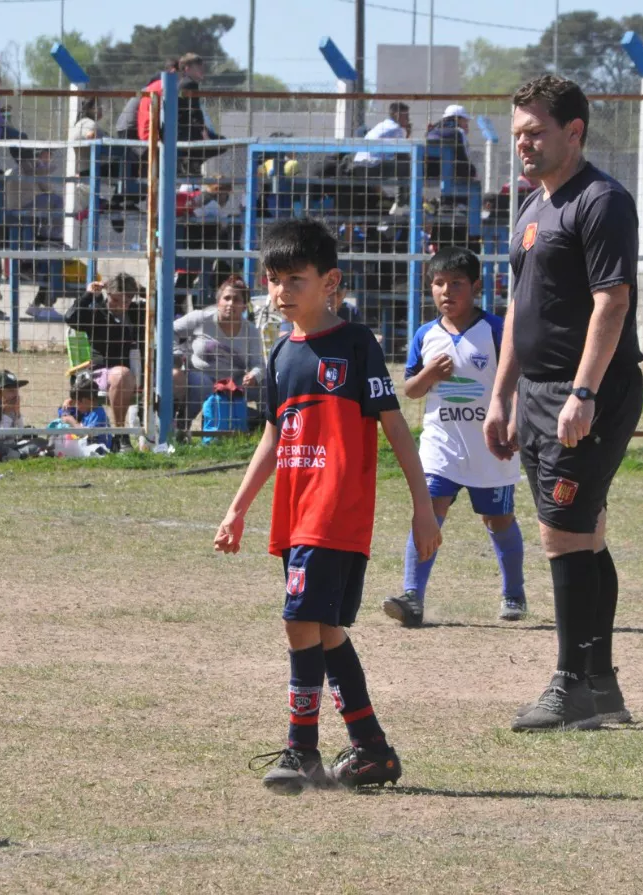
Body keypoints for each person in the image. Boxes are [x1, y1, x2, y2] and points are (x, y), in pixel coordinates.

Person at [213, 218, 441, 792]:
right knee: (326, 630)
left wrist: (423, 508)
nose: (281, 291)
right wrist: (239, 508)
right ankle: (372, 750)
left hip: (334, 510)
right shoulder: (281, 355)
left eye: (295, 279)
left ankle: (301, 750)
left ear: (330, 281)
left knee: (299, 622)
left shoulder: (356, 344)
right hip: (294, 512)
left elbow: (395, 429)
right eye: (273, 280)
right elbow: (272, 437)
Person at [484, 75, 643, 733]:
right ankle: (600, 684)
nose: (522, 144)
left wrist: (582, 391)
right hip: (538, 394)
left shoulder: (601, 202)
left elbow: (612, 301)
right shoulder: (531, 209)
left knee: (562, 533)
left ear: (573, 132)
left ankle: (571, 681)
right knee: (583, 533)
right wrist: (501, 396)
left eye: (535, 132)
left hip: (589, 394)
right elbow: (521, 309)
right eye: (517, 133)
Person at [383, 246, 525, 627]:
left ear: (476, 286)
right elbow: (411, 389)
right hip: (440, 445)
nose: (447, 291)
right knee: (428, 510)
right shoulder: (425, 335)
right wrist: (428, 375)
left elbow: (515, 381)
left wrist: (513, 421)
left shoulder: (496, 330)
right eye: (439, 284)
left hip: (489, 447)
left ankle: (514, 592)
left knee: (498, 519)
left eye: (456, 283)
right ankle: (413, 595)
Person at [172, 276, 266, 426]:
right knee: (201, 384)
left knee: (267, 384)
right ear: (218, 302)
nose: (230, 304)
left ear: (244, 306)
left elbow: (259, 364)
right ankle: (182, 425)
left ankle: (265, 427)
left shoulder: (251, 331)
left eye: (236, 300)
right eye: (226, 298)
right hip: (201, 375)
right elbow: (169, 331)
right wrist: (176, 353)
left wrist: (254, 375)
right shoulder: (201, 318)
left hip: (235, 381)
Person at [65, 274, 146, 435]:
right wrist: (89, 294)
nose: (120, 306)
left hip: (138, 372)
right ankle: (120, 434)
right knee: (122, 375)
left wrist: (144, 291)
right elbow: (71, 317)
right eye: (115, 300)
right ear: (107, 294)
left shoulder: (137, 312)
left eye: (126, 302)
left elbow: (166, 307)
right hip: (103, 372)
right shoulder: (97, 314)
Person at [351, 102, 412, 214]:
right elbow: (402, 152)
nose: (408, 119)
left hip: (358, 167)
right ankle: (401, 203)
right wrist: (407, 135)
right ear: (397, 115)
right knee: (407, 162)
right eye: (406, 116)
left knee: (401, 162)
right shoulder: (398, 129)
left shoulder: (381, 125)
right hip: (372, 167)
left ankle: (394, 201)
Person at [0, 369, 37, 462]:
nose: (15, 395)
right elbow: (1, 436)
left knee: (32, 433)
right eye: (11, 391)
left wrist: (17, 413)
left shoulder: (12, 410)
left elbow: (20, 435)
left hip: (12, 445)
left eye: (16, 391)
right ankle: (20, 455)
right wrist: (6, 413)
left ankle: (17, 455)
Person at [57, 371, 112, 451]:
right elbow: (63, 415)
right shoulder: (86, 410)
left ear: (91, 400)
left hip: (98, 448)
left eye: (79, 402)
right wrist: (66, 405)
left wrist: (73, 422)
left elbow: (88, 434)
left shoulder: (98, 413)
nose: (76, 405)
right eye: (75, 402)